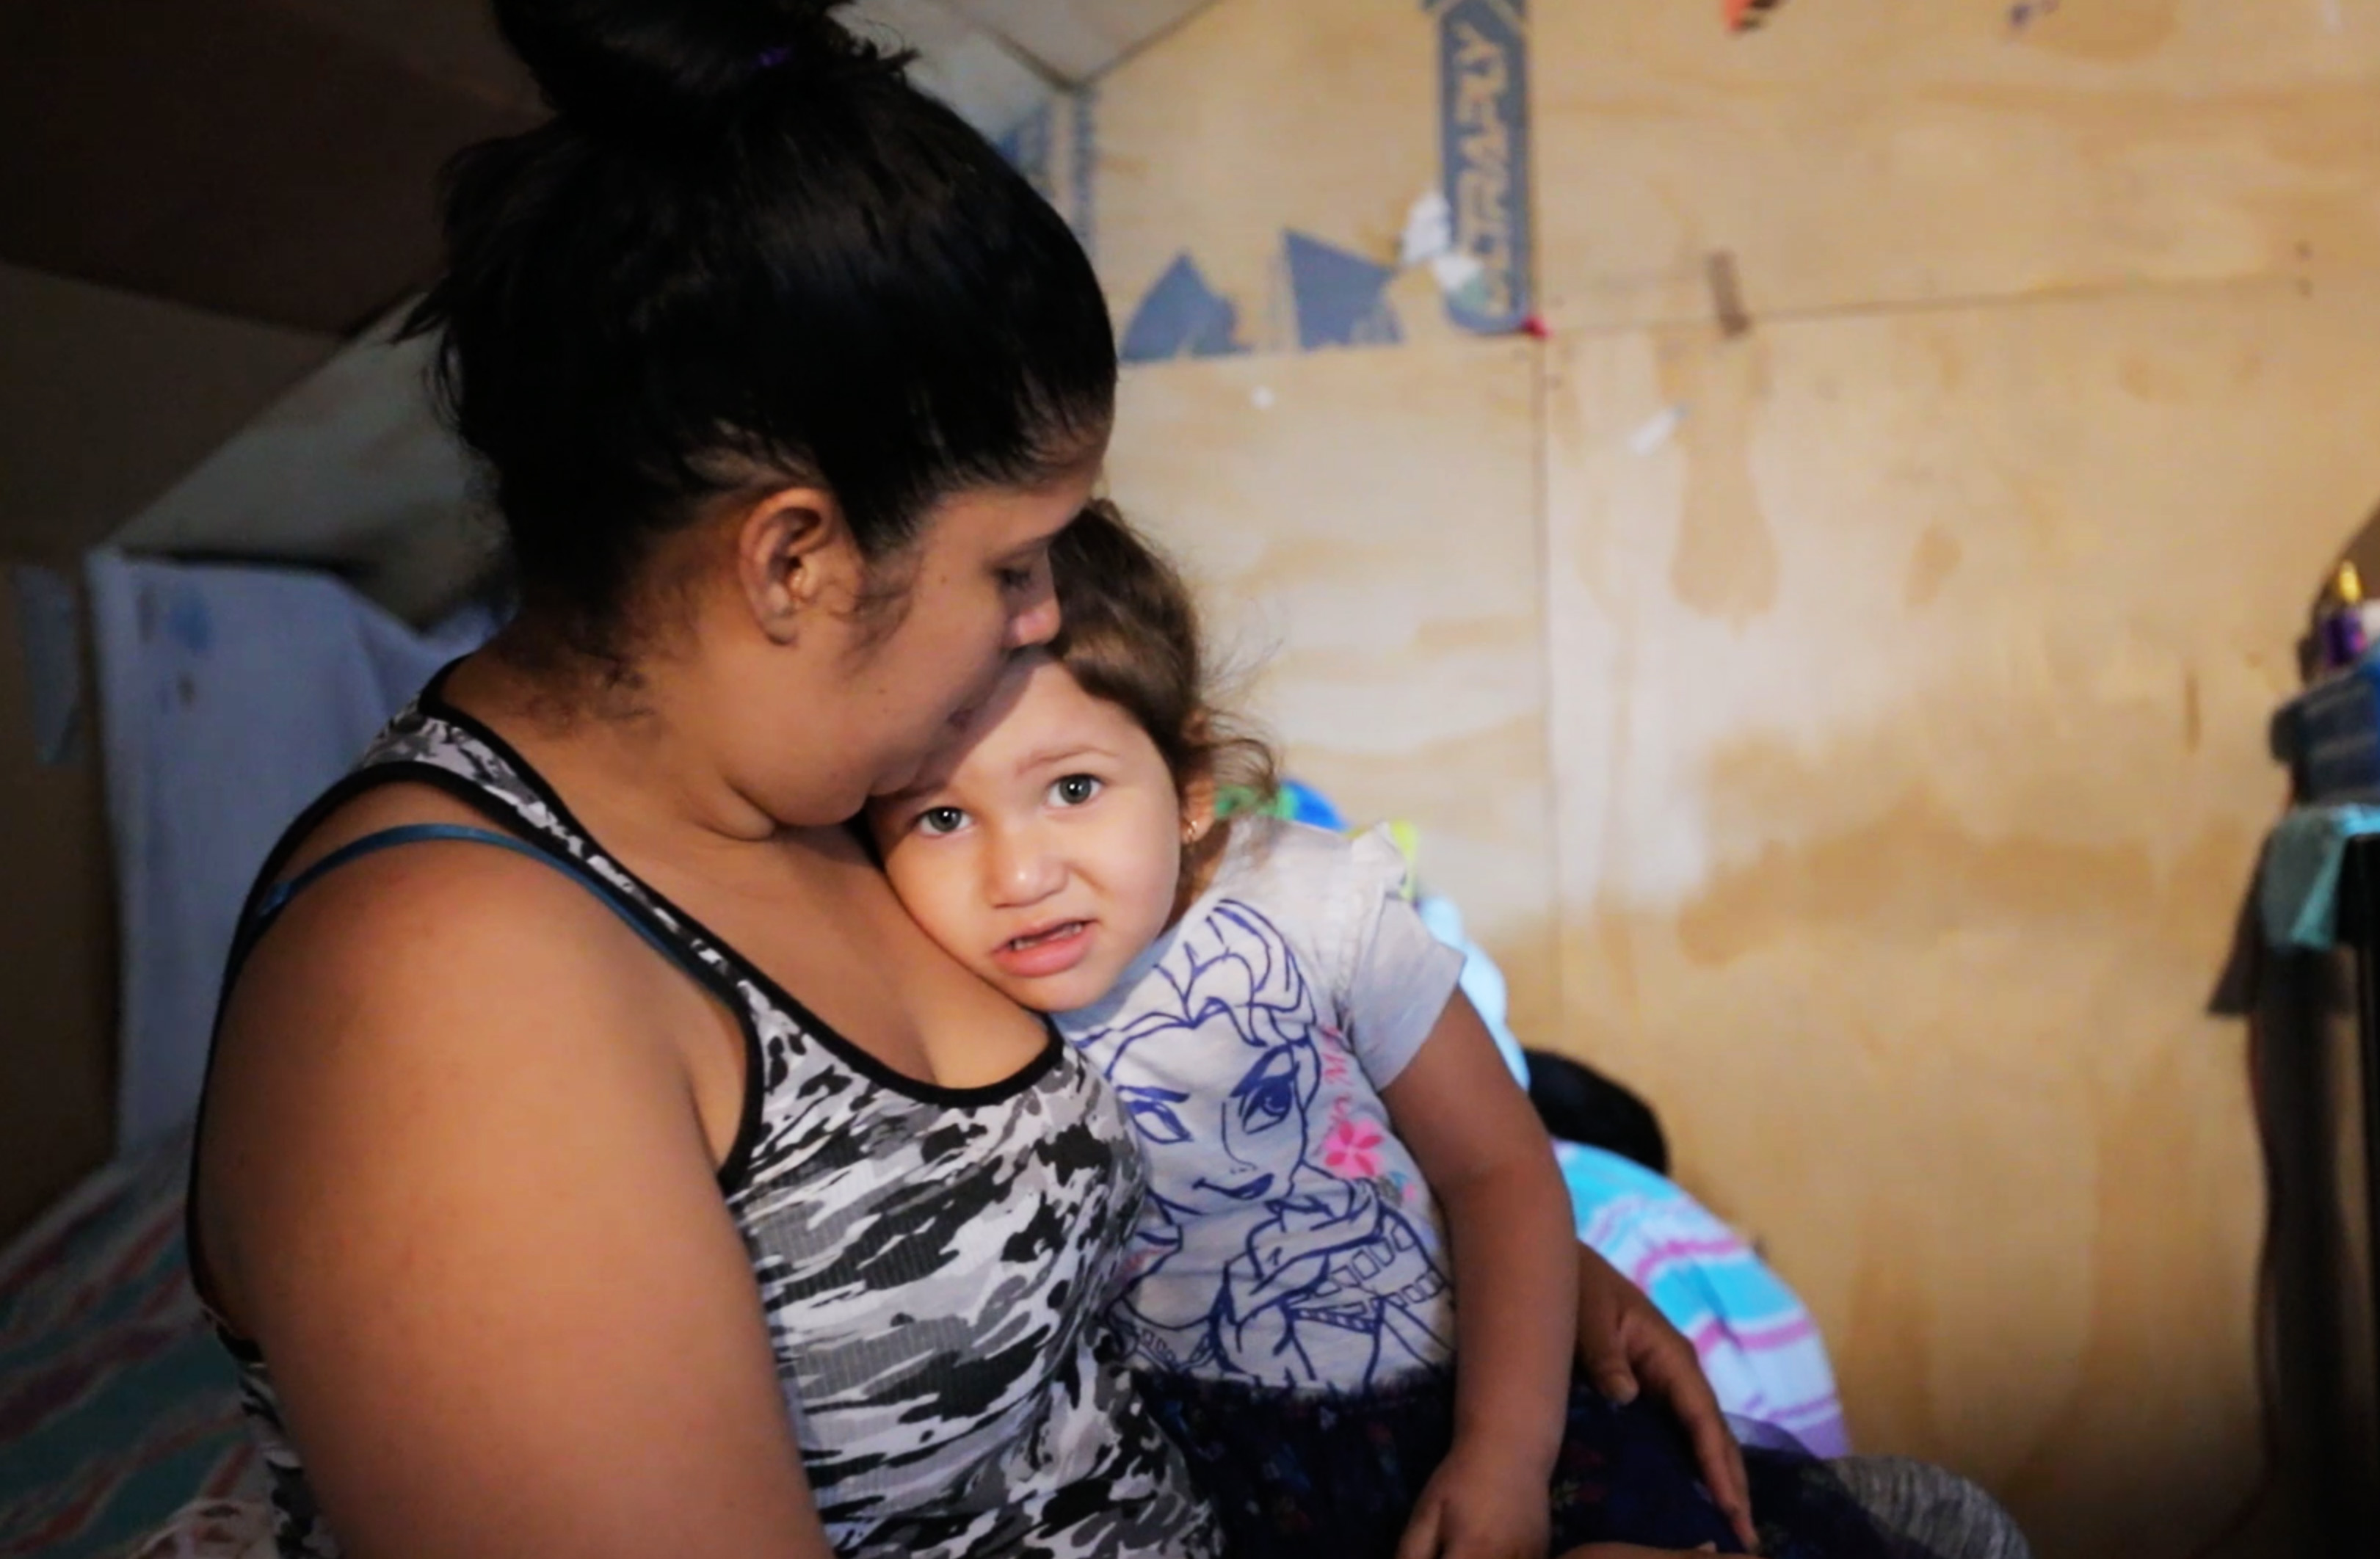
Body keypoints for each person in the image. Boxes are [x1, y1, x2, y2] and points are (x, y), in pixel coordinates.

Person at [185, 3, 1752, 1556]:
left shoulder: (812, 787)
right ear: (793, 559)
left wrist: (1493, 1305)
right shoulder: (443, 1001)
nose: (1044, 618)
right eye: (1009, 562)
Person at [868, 505, 1909, 1559]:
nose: (1019, 876)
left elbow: (1498, 1167)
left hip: (1463, 1408)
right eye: (940, 818)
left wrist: (1505, 1454)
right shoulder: (927, 990)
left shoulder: (1314, 905)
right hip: (1207, 1486)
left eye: (1075, 789)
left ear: (1188, 788)